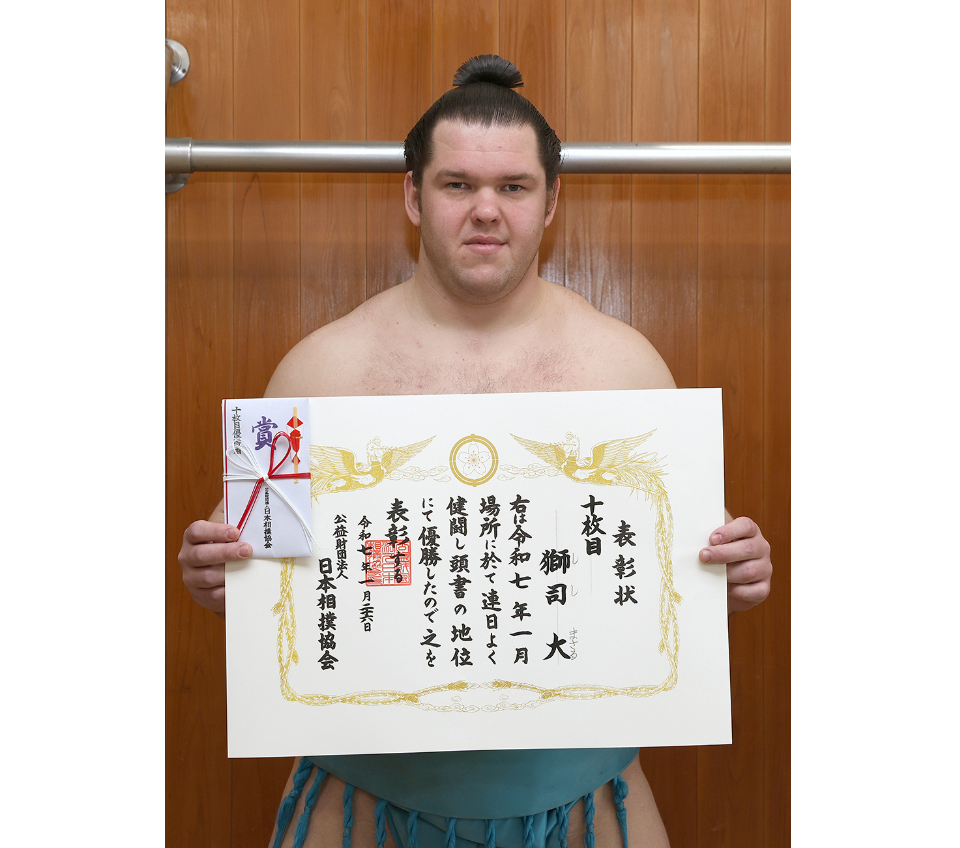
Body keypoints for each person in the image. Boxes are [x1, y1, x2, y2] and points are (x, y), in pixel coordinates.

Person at [178, 55, 772, 848]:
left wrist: (726, 575)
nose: (485, 211)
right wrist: (224, 574)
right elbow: (262, 576)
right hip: (359, 795)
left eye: (513, 188)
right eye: (457, 184)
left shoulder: (628, 369)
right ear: (412, 198)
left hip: (583, 795)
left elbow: (671, 571)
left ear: (552, 200)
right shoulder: (318, 370)